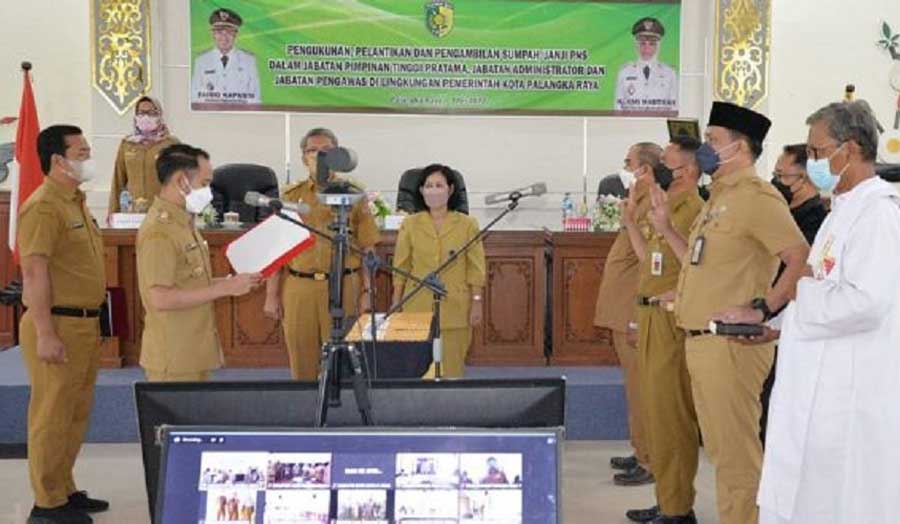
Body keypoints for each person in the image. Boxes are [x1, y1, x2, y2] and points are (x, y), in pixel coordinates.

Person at [758, 101, 900, 523]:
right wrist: (777, 325)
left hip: (848, 393)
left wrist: (799, 297)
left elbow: (867, 303)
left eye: (817, 153)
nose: (813, 163)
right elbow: (823, 287)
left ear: (850, 149)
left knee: (842, 499)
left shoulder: (878, 214)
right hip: (817, 382)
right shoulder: (841, 210)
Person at [673, 101, 810, 524]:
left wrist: (763, 308)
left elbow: (798, 256)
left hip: (730, 345)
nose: (705, 151)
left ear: (741, 148)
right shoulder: (718, 199)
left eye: (714, 141)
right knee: (722, 454)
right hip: (702, 341)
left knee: (736, 459)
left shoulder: (756, 197)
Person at [19, 125, 108, 523]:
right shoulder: (44, 206)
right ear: (58, 160)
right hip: (57, 323)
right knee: (51, 415)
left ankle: (63, 487)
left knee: (74, 413)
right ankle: (46, 504)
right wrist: (45, 333)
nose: (87, 157)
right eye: (82, 151)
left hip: (83, 325)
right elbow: (35, 274)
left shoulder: (75, 202)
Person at [622, 136, 704, 524]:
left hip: (673, 319)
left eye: (665, 165)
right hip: (653, 315)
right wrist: (631, 225)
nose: (656, 172)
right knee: (656, 414)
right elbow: (649, 263)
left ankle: (678, 508)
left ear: (685, 171)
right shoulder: (667, 205)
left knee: (672, 418)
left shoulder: (693, 209)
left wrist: (666, 226)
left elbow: (694, 264)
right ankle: (667, 499)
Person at [263, 128, 380, 380]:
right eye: (312, 151)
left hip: (343, 284)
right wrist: (271, 295)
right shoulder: (291, 196)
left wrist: (368, 292)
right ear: (304, 158)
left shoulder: (353, 195)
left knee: (342, 362)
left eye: (325, 150)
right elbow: (277, 249)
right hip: (299, 287)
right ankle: (308, 412)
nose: (318, 156)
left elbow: (368, 247)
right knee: (302, 360)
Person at [137, 144, 261, 381]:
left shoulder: (183, 223)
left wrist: (231, 283)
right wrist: (223, 288)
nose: (210, 192)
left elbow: (189, 281)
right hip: (173, 357)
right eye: (204, 184)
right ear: (183, 181)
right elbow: (160, 297)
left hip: (193, 350)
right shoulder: (160, 232)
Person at [594, 142, 662, 487]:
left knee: (642, 390)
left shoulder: (654, 204)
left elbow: (649, 263)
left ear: (646, 170)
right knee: (634, 388)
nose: (625, 168)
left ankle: (650, 460)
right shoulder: (636, 200)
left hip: (635, 310)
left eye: (630, 163)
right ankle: (640, 450)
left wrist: (637, 316)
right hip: (623, 310)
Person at [759, 144, 829, 441]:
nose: (776, 183)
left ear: (807, 178)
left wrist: (776, 321)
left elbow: (805, 278)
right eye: (774, 174)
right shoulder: (780, 212)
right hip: (766, 317)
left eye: (783, 176)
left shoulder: (817, 220)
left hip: (789, 322)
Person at [391, 164, 486, 378]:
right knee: (418, 371)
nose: (433, 190)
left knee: (451, 371)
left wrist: (477, 302)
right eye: (428, 186)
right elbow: (401, 266)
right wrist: (396, 300)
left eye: (439, 185)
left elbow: (476, 267)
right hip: (417, 304)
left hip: (456, 306)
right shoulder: (411, 224)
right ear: (421, 191)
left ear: (450, 190)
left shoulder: (467, 224)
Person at [107, 96, 179, 213]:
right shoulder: (127, 144)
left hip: (162, 213)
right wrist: (112, 212)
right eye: (141, 113)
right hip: (132, 213)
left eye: (151, 113)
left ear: (159, 115)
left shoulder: (171, 143)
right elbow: (118, 181)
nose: (146, 117)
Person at [191, 8, 261, 105]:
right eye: (219, 32)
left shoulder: (249, 60)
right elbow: (195, 98)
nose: (224, 37)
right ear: (213, 34)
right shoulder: (201, 61)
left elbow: (255, 100)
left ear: (236, 34)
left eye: (229, 32)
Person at [614, 17, 678, 113]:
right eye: (642, 43)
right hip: (631, 126)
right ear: (636, 45)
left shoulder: (670, 73)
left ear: (658, 46)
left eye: (651, 44)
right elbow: (618, 108)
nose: (646, 49)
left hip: (659, 126)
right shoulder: (624, 72)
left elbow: (675, 108)